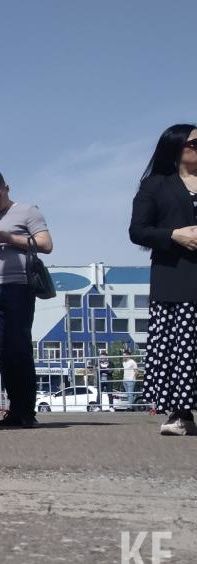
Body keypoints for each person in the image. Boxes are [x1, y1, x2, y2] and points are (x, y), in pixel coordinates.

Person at [128, 123, 197, 436]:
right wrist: (174, 235)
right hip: (175, 278)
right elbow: (138, 231)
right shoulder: (155, 185)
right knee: (180, 348)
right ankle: (181, 414)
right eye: (194, 144)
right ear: (177, 148)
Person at [0, 169, 52, 427]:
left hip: (18, 286)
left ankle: (26, 410)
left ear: (6, 187)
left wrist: (8, 238)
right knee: (1, 349)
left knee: (19, 347)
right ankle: (15, 407)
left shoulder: (28, 211)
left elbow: (46, 244)